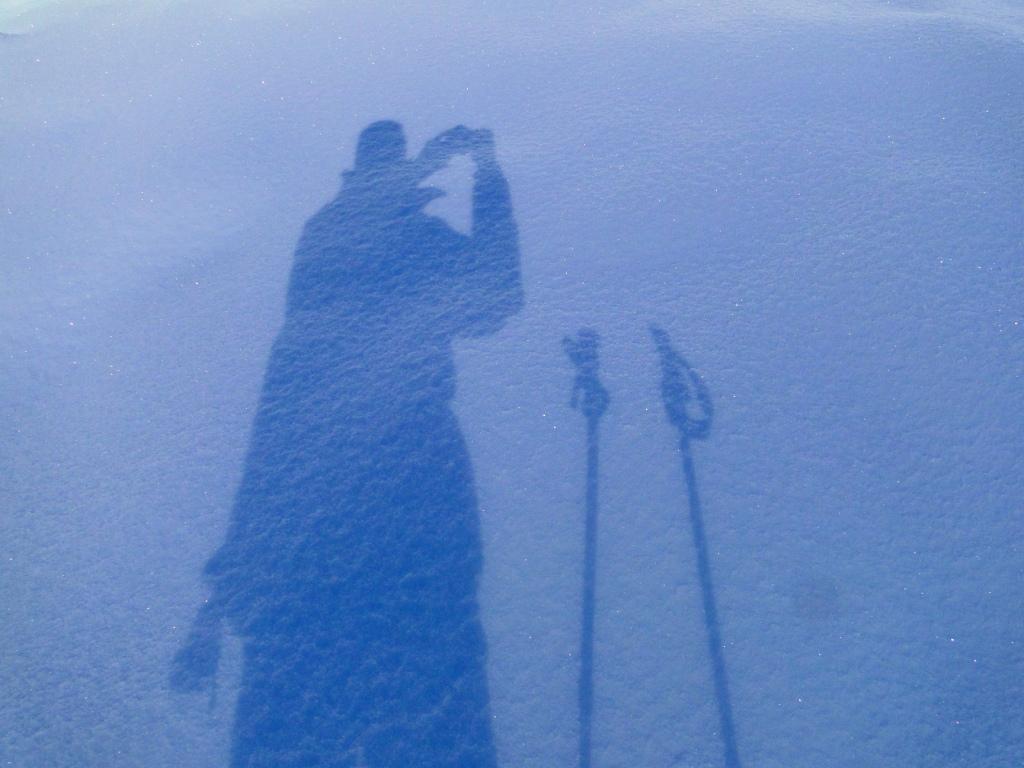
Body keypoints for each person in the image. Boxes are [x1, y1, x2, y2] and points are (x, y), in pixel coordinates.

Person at [172, 120, 523, 767]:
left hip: (322, 518)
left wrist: (225, 593)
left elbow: (268, 441)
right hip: (406, 498)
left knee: (308, 714)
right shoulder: (382, 246)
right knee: (426, 705)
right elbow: (494, 298)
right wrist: (483, 174)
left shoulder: (327, 265)